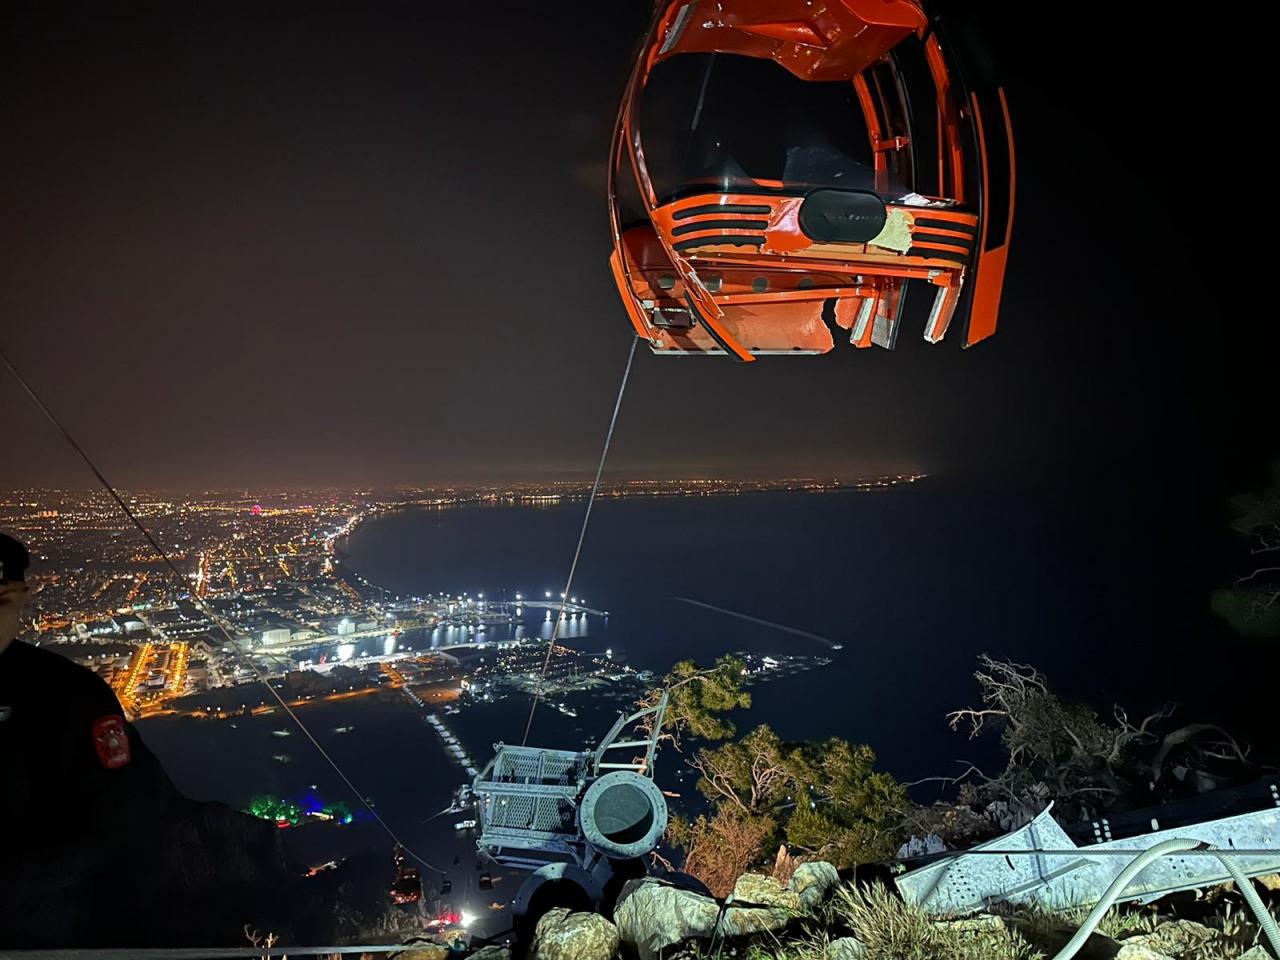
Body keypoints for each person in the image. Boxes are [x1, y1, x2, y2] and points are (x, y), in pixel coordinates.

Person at [0, 533, 311, 947]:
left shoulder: (68, 695)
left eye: (0, 599)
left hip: (42, 935)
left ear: (21, 598)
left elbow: (114, 820)